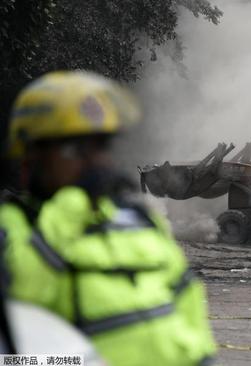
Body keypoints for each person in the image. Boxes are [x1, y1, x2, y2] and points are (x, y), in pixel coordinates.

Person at [0, 71, 216, 365]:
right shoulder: (11, 234)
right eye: (76, 148)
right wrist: (72, 206)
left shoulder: (142, 224)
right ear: (30, 157)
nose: (96, 161)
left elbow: (190, 316)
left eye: (101, 146)